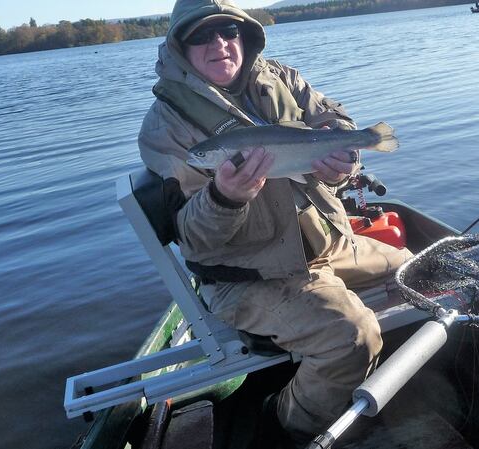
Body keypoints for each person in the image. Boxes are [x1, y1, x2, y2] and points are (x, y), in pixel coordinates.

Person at [137, 0, 412, 445]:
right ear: (179, 46)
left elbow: (334, 119)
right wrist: (225, 197)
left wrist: (346, 160)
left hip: (324, 244)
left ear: (244, 34)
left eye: (228, 30)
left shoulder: (280, 77)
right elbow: (194, 240)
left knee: (418, 271)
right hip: (248, 276)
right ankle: (285, 426)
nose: (219, 43)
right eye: (201, 35)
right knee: (353, 336)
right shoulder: (164, 128)